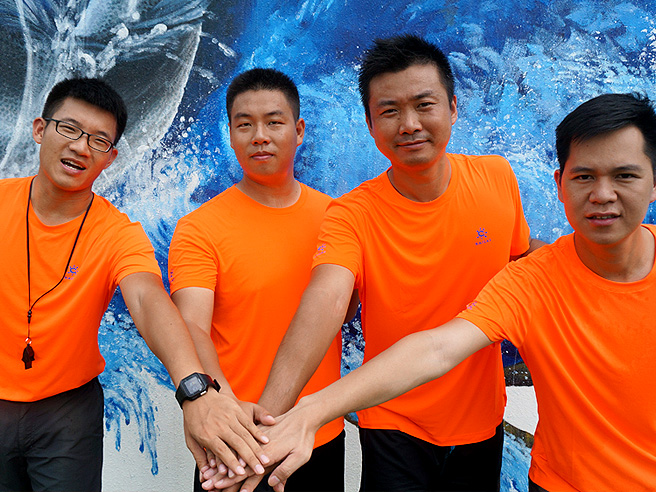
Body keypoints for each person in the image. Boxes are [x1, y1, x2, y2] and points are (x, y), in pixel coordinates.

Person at [233, 92, 656, 492]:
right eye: (584, 177)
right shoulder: (530, 282)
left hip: (480, 429)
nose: (603, 195)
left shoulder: (496, 184)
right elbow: (434, 347)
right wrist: (308, 411)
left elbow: (521, 244)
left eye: (625, 176)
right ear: (560, 184)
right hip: (537, 475)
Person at [230, 35, 543, 492]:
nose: (409, 124)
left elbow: (523, 256)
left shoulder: (497, 178)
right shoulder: (351, 213)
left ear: (453, 108)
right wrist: (267, 427)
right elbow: (326, 300)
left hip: (482, 422)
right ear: (371, 124)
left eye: (424, 105)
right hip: (393, 422)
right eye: (390, 111)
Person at [0, 78, 272, 492]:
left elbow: (147, 300)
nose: (80, 147)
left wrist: (195, 391)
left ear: (110, 158)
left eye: (98, 140)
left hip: (67, 415)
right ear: (40, 129)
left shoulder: (118, 234)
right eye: (69, 129)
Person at [168, 68, 345, 492]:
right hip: (234, 440)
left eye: (274, 122)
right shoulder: (199, 228)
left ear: (298, 131)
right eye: (245, 125)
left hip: (318, 436)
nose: (259, 136)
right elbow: (191, 326)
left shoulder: (337, 219)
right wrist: (223, 406)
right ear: (231, 135)